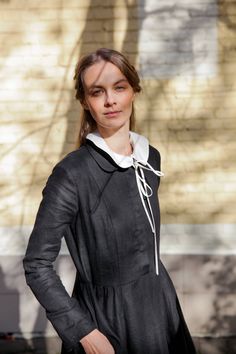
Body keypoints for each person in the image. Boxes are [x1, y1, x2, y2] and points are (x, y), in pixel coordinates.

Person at [23, 48, 196, 354]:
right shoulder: (71, 174)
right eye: (97, 92)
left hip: (160, 308)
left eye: (119, 87)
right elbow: (37, 264)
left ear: (134, 91)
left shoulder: (149, 158)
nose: (110, 100)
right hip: (106, 322)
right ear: (85, 102)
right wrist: (84, 332)